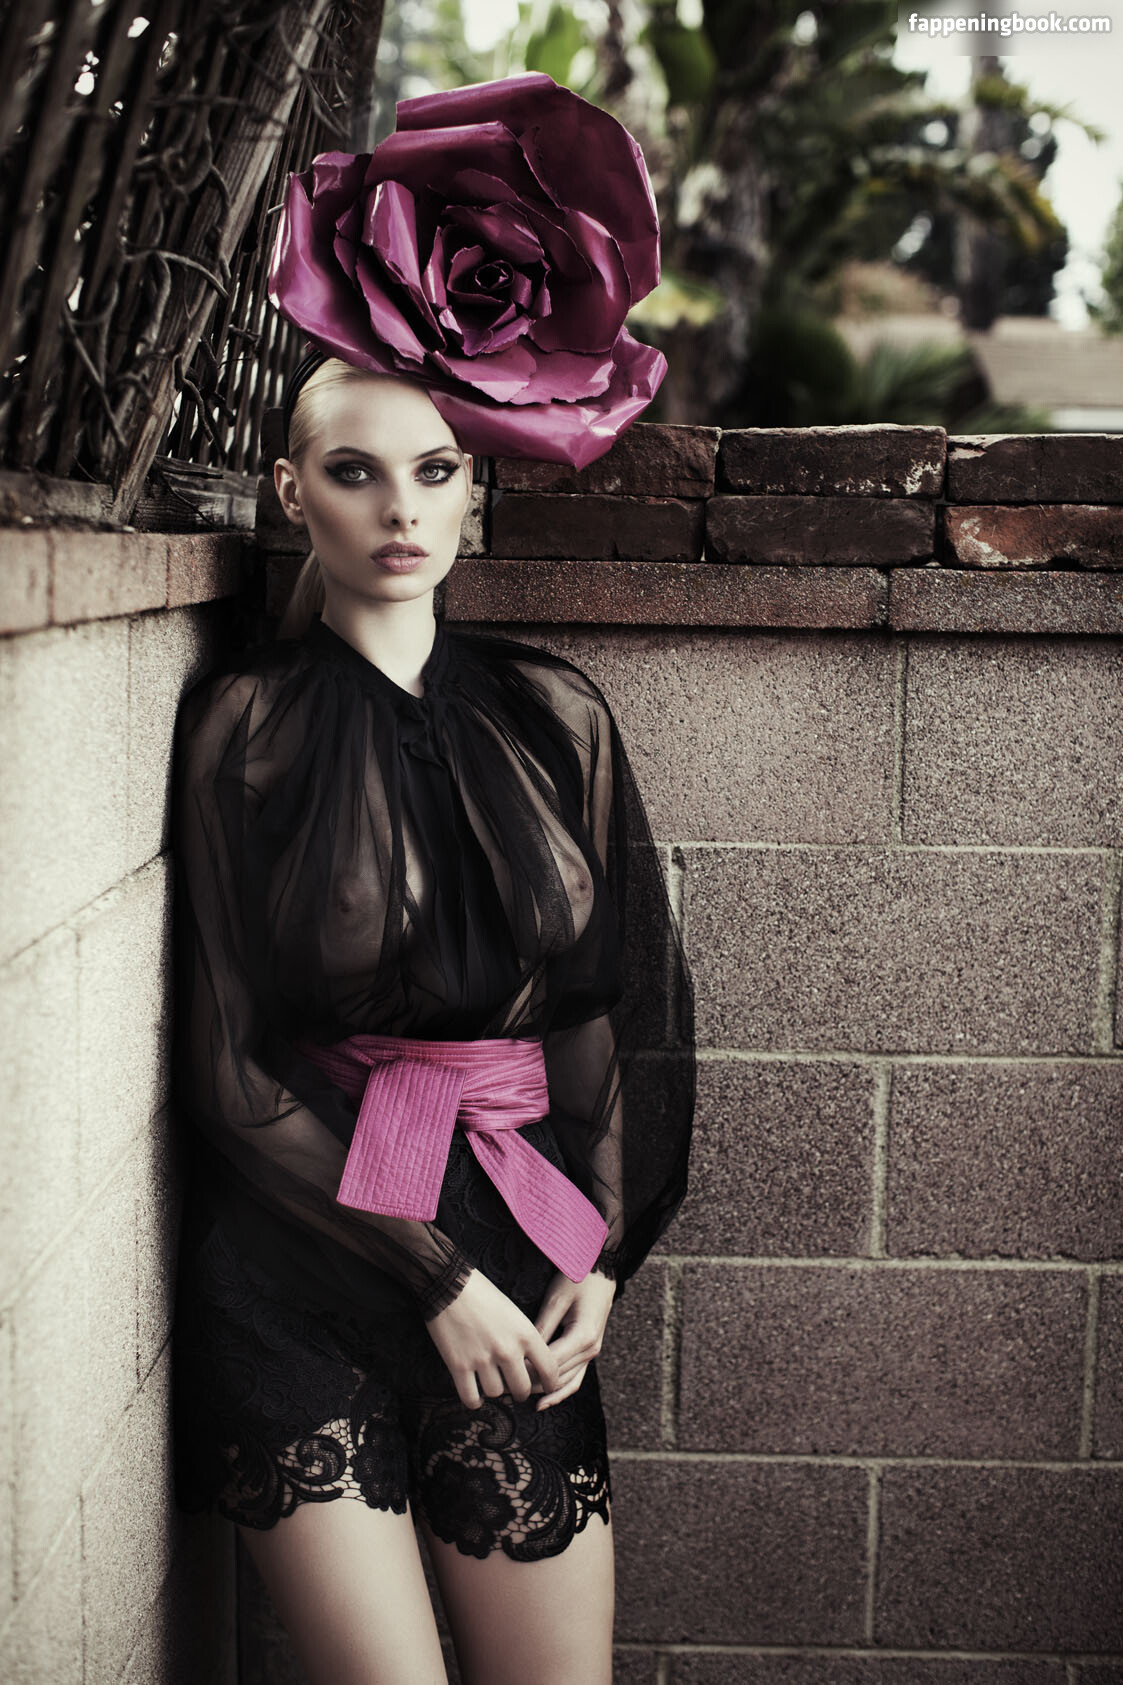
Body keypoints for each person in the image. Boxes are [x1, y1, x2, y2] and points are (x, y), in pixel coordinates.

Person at [170, 75, 694, 1685]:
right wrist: (435, 1274)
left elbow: (613, 1016)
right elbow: (230, 1068)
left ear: (478, 487)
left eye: (437, 469)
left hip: (522, 1262)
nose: (400, 508)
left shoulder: (557, 717)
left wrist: (600, 1258)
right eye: (354, 472)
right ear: (291, 493)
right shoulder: (244, 726)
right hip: (309, 1268)